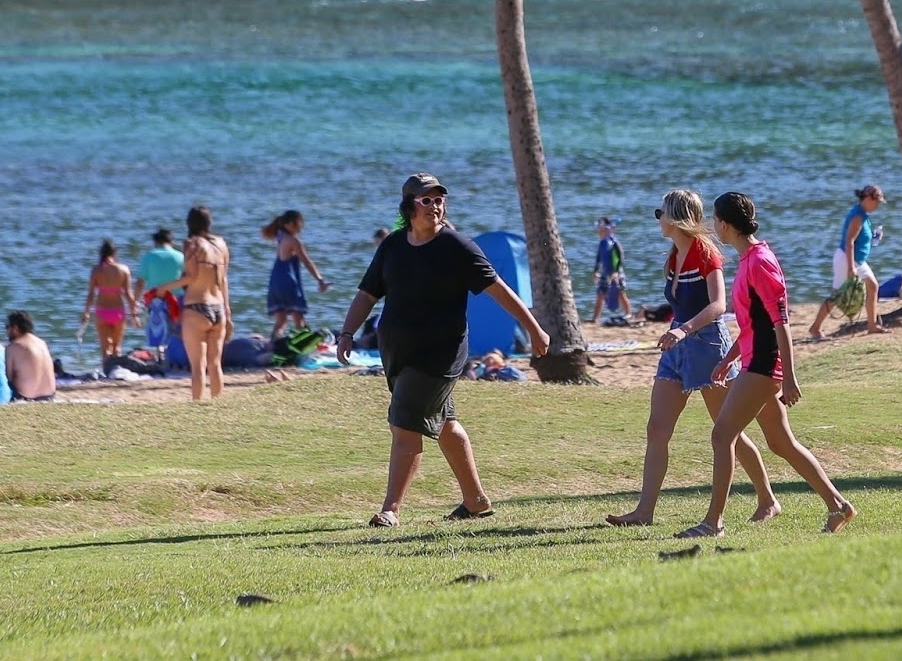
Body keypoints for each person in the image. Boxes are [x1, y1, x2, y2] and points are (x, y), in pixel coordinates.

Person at [337, 173, 550, 527]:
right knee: (446, 424)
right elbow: (367, 294)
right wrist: (347, 332)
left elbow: (498, 289)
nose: (434, 205)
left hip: (440, 355)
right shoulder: (392, 246)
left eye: (439, 199)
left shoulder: (457, 247)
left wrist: (535, 329)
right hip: (397, 354)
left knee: (404, 425)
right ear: (409, 207)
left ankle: (390, 509)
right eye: (426, 200)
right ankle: (476, 501)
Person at [676, 192, 854, 539]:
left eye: (714, 219)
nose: (713, 225)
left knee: (722, 434)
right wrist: (729, 357)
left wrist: (789, 377)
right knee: (780, 442)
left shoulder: (760, 261)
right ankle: (839, 505)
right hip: (754, 360)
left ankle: (713, 523)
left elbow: (780, 322)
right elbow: (752, 324)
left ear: (725, 224)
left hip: (763, 365)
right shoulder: (747, 260)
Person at [606, 190, 778, 528]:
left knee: (728, 432)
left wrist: (683, 330)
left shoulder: (705, 254)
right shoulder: (674, 255)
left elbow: (718, 305)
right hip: (676, 347)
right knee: (657, 429)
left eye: (661, 212)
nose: (658, 218)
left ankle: (767, 499)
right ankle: (644, 512)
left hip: (707, 345)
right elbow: (680, 302)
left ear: (676, 218)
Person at [150, 206, 231, 400]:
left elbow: (191, 277)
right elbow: (223, 279)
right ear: (209, 223)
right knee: (215, 364)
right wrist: (228, 311)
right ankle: (218, 406)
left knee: (198, 366)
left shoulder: (192, 243)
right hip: (218, 307)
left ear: (189, 224)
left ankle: (197, 408)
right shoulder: (221, 244)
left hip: (197, 307)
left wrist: (164, 288)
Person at [810, 184, 887, 339]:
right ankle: (815, 328)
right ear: (867, 198)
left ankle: (872, 326)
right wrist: (851, 268)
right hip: (847, 259)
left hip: (858, 259)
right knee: (837, 296)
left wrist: (874, 237)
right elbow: (849, 242)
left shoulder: (864, 215)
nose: (877, 205)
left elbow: (860, 239)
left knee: (872, 286)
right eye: (876, 201)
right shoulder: (858, 215)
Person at [262, 210, 331, 339]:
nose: (300, 227)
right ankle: (306, 347)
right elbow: (307, 262)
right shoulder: (293, 241)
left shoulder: (280, 236)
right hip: (288, 281)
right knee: (299, 320)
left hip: (275, 282)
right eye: (298, 224)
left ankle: (274, 346)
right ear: (289, 224)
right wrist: (320, 280)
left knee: (281, 321)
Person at [82, 239, 139, 360]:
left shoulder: (96, 270)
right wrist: (134, 313)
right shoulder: (124, 269)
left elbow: (91, 293)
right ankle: (115, 372)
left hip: (102, 311)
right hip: (118, 311)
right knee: (116, 347)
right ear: (115, 253)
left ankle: (106, 373)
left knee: (104, 349)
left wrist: (86, 312)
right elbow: (129, 294)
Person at [136, 228, 185, 348]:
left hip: (156, 302)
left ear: (155, 242)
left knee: (157, 337)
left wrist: (134, 304)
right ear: (171, 241)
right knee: (178, 336)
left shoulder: (149, 256)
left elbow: (140, 283)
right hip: (178, 301)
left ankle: (158, 361)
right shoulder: (180, 256)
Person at [5, 311, 57, 401]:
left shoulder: (13, 347)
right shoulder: (42, 343)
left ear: (15, 328)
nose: (7, 331)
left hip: (26, 397)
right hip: (49, 395)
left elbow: (8, 377)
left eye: (7, 327)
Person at [590, 217, 630, 325]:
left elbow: (620, 256)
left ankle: (629, 314)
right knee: (600, 294)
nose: (599, 231)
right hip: (604, 273)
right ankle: (595, 318)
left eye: (601, 229)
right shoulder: (602, 243)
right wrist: (596, 270)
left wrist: (616, 271)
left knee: (620, 293)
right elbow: (599, 257)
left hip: (616, 273)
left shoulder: (613, 242)